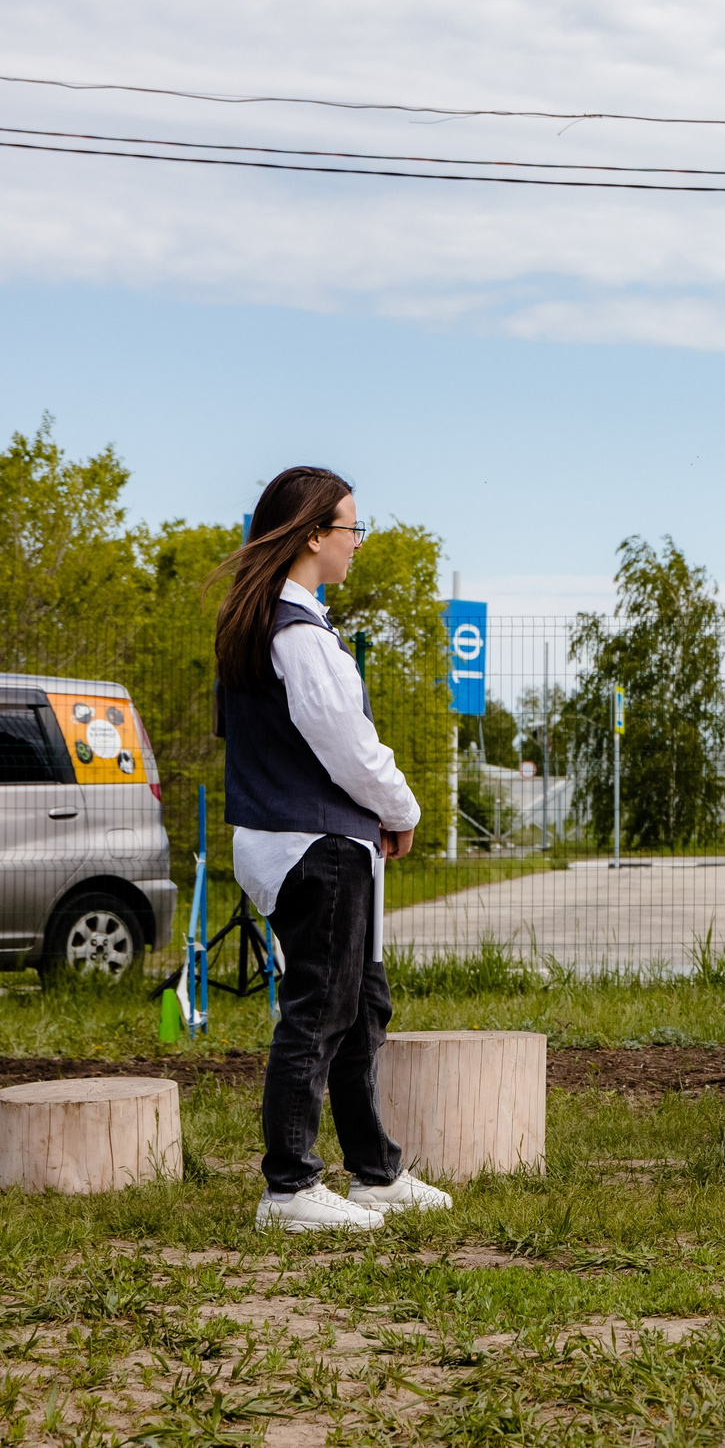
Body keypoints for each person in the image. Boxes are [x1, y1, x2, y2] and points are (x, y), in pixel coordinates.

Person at [216, 466, 449, 1233]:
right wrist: (403, 807)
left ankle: (375, 1172)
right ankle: (288, 1186)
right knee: (319, 1008)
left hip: (307, 838)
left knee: (358, 1005)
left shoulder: (268, 625)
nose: (356, 543)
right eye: (351, 527)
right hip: (315, 842)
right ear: (315, 534)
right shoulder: (300, 638)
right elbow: (349, 746)